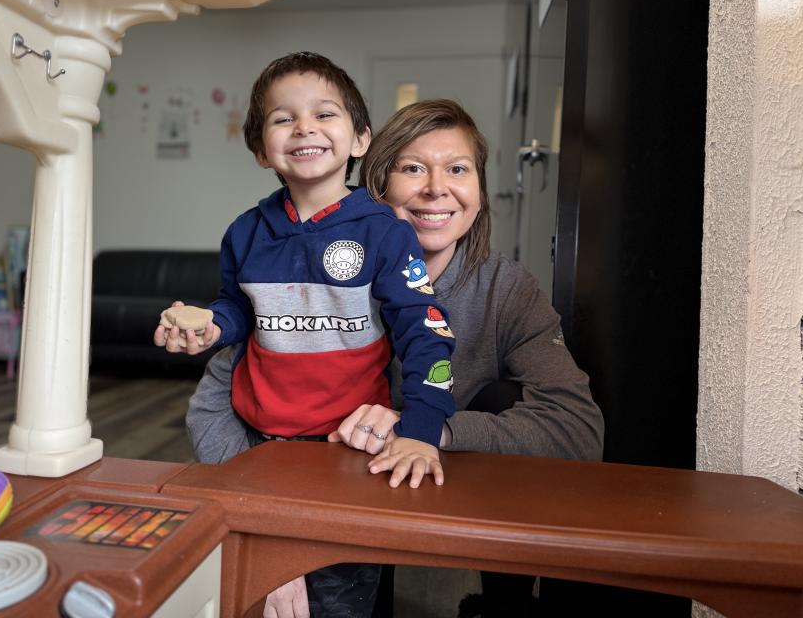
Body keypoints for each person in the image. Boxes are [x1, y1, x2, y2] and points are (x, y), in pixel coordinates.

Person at [182, 98, 605, 618]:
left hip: (445, 481)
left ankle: (504, 601)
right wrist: (266, 535)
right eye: (411, 168)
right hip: (322, 491)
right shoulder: (308, 275)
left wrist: (430, 430)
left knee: (504, 399)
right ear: (375, 188)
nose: (435, 188)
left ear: (479, 190)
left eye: (457, 169)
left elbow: (579, 430)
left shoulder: (505, 289)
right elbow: (212, 406)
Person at [156, 53, 458, 618]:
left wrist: (421, 429)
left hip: (347, 452)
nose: (304, 128)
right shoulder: (245, 232)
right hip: (259, 446)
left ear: (361, 139)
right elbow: (240, 310)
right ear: (258, 148)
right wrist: (211, 324)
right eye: (282, 118)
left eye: (324, 113)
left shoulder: (385, 232)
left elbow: (426, 333)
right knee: (256, 593)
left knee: (338, 595)